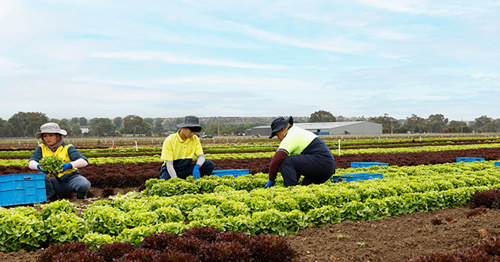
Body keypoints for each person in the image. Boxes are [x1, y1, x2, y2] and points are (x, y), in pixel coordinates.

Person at [265, 116, 336, 188]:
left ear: (282, 129)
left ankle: (290, 190)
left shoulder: (291, 136)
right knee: (306, 187)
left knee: (286, 161)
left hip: (322, 163)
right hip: (326, 167)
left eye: (277, 135)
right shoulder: (297, 131)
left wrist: (271, 179)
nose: (278, 138)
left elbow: (276, 160)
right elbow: (296, 165)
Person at [28, 122, 91, 200]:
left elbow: (84, 161)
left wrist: (69, 165)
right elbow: (31, 162)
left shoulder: (68, 147)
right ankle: (51, 198)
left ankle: (81, 199)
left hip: (70, 179)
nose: (48, 138)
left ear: (57, 136)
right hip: (52, 182)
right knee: (40, 177)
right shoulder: (41, 148)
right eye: (45, 136)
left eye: (51, 135)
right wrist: (39, 166)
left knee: (84, 184)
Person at [159, 115, 214, 180]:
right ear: (184, 128)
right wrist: (175, 180)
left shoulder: (195, 139)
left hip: (186, 168)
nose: (193, 133)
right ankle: (181, 179)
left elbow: (201, 157)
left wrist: (197, 166)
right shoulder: (170, 140)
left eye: (195, 131)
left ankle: (196, 180)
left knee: (209, 164)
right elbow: (169, 164)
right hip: (171, 169)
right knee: (164, 182)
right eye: (191, 131)